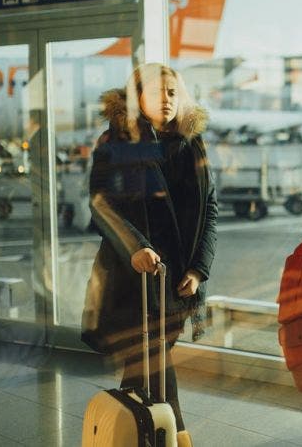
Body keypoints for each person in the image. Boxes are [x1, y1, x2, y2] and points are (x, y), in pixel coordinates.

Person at [81, 63, 217, 447]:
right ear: (137, 98)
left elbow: (211, 207)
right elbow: (101, 203)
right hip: (134, 277)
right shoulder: (115, 143)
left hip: (177, 281)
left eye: (173, 92)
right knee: (151, 361)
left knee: (144, 371)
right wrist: (136, 245)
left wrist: (199, 268)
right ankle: (176, 438)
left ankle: (123, 434)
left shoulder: (191, 143)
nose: (168, 99)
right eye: (158, 93)